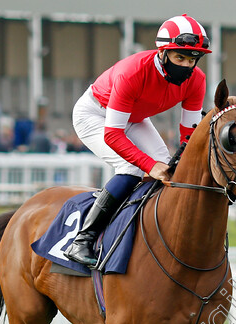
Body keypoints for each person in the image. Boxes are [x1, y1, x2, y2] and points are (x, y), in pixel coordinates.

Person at [64, 14, 211, 267]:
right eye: (180, 58)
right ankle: (82, 240)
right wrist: (148, 165)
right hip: (95, 113)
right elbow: (112, 134)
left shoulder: (196, 80)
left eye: (192, 59)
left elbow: (189, 132)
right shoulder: (132, 73)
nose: (187, 66)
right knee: (132, 167)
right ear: (163, 53)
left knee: (166, 167)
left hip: (134, 117)